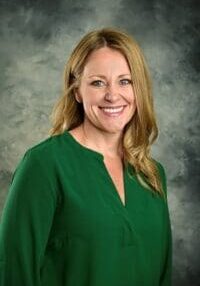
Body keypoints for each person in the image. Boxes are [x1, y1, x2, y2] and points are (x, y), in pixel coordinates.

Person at [0, 27, 172, 286]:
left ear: (140, 89)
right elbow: (14, 272)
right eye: (97, 82)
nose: (113, 95)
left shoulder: (152, 173)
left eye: (125, 81)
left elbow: (162, 274)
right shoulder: (44, 165)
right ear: (77, 90)